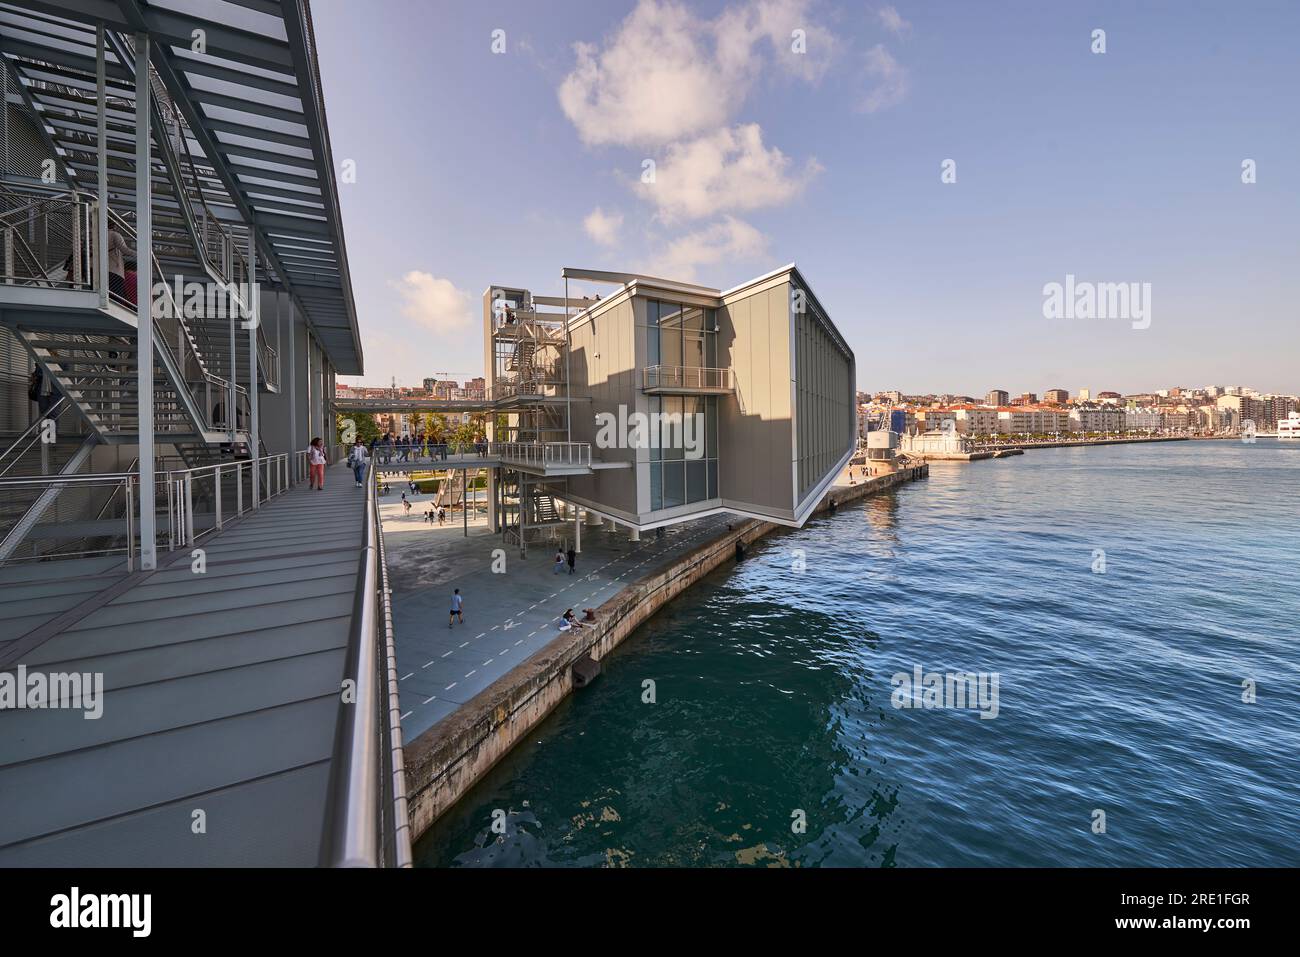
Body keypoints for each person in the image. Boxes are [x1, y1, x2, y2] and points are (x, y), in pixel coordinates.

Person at [106, 225, 133, 302]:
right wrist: (143, 254)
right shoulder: (114, 235)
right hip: (114, 271)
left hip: (94, 269)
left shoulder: (91, 233)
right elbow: (125, 250)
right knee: (116, 299)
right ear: (114, 225)